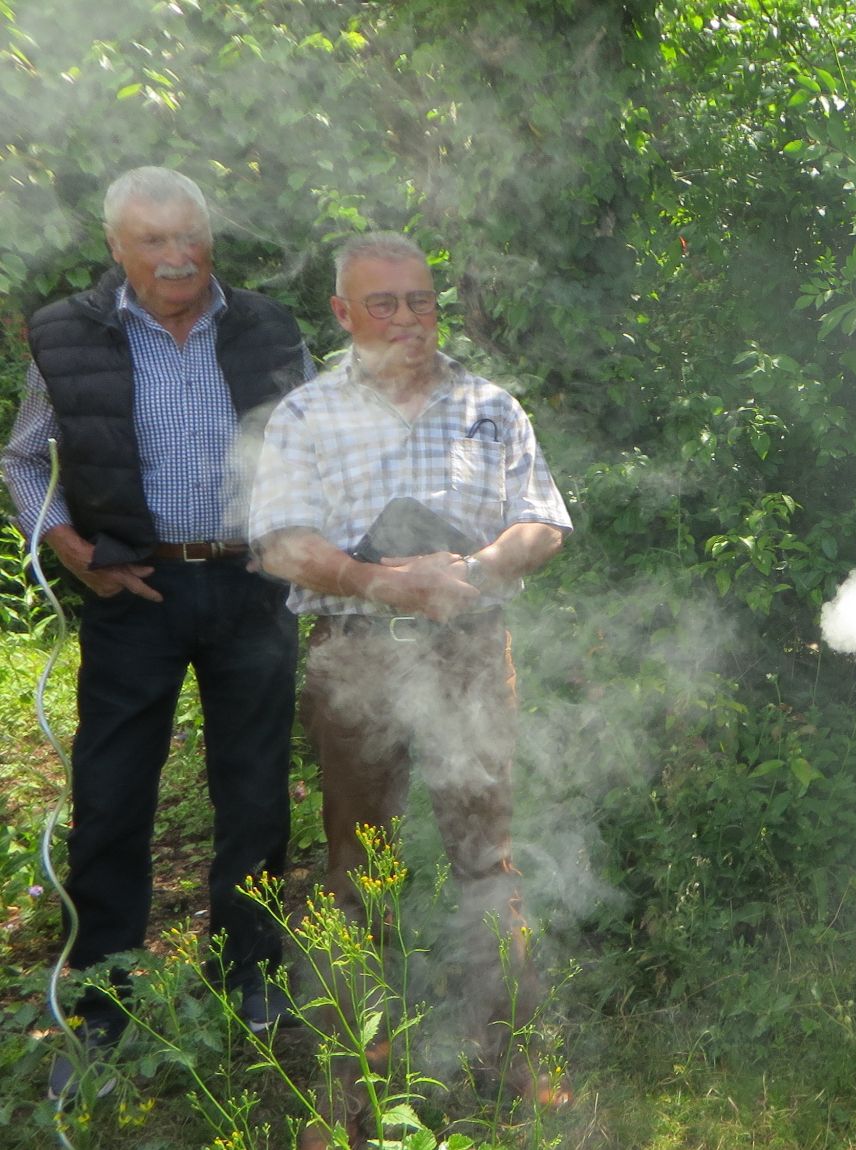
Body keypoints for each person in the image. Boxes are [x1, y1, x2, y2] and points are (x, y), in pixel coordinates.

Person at [248, 231, 571, 1147]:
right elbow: (280, 543)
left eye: (420, 301)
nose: (406, 320)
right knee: (356, 870)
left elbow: (542, 521)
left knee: (486, 858)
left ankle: (511, 1058)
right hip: (358, 652)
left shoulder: (489, 406)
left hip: (470, 649)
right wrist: (384, 582)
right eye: (382, 304)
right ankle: (348, 1086)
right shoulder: (307, 416)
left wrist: (475, 566)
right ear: (343, 313)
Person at [3, 166, 311, 1098]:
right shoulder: (65, 334)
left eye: (191, 236)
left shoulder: (267, 326)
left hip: (251, 586)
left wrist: (305, 538)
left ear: (211, 236)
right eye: (153, 240)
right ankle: (103, 999)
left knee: (255, 792)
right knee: (110, 795)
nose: (177, 257)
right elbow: (20, 460)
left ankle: (249, 973)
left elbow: (314, 438)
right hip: (133, 590)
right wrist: (67, 546)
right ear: (115, 246)